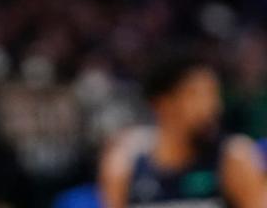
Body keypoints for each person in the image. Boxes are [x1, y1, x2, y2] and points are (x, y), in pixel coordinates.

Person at [98, 52, 266, 207]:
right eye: (197, 95)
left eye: (213, 95)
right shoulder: (125, 163)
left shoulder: (234, 157)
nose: (212, 107)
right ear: (163, 104)